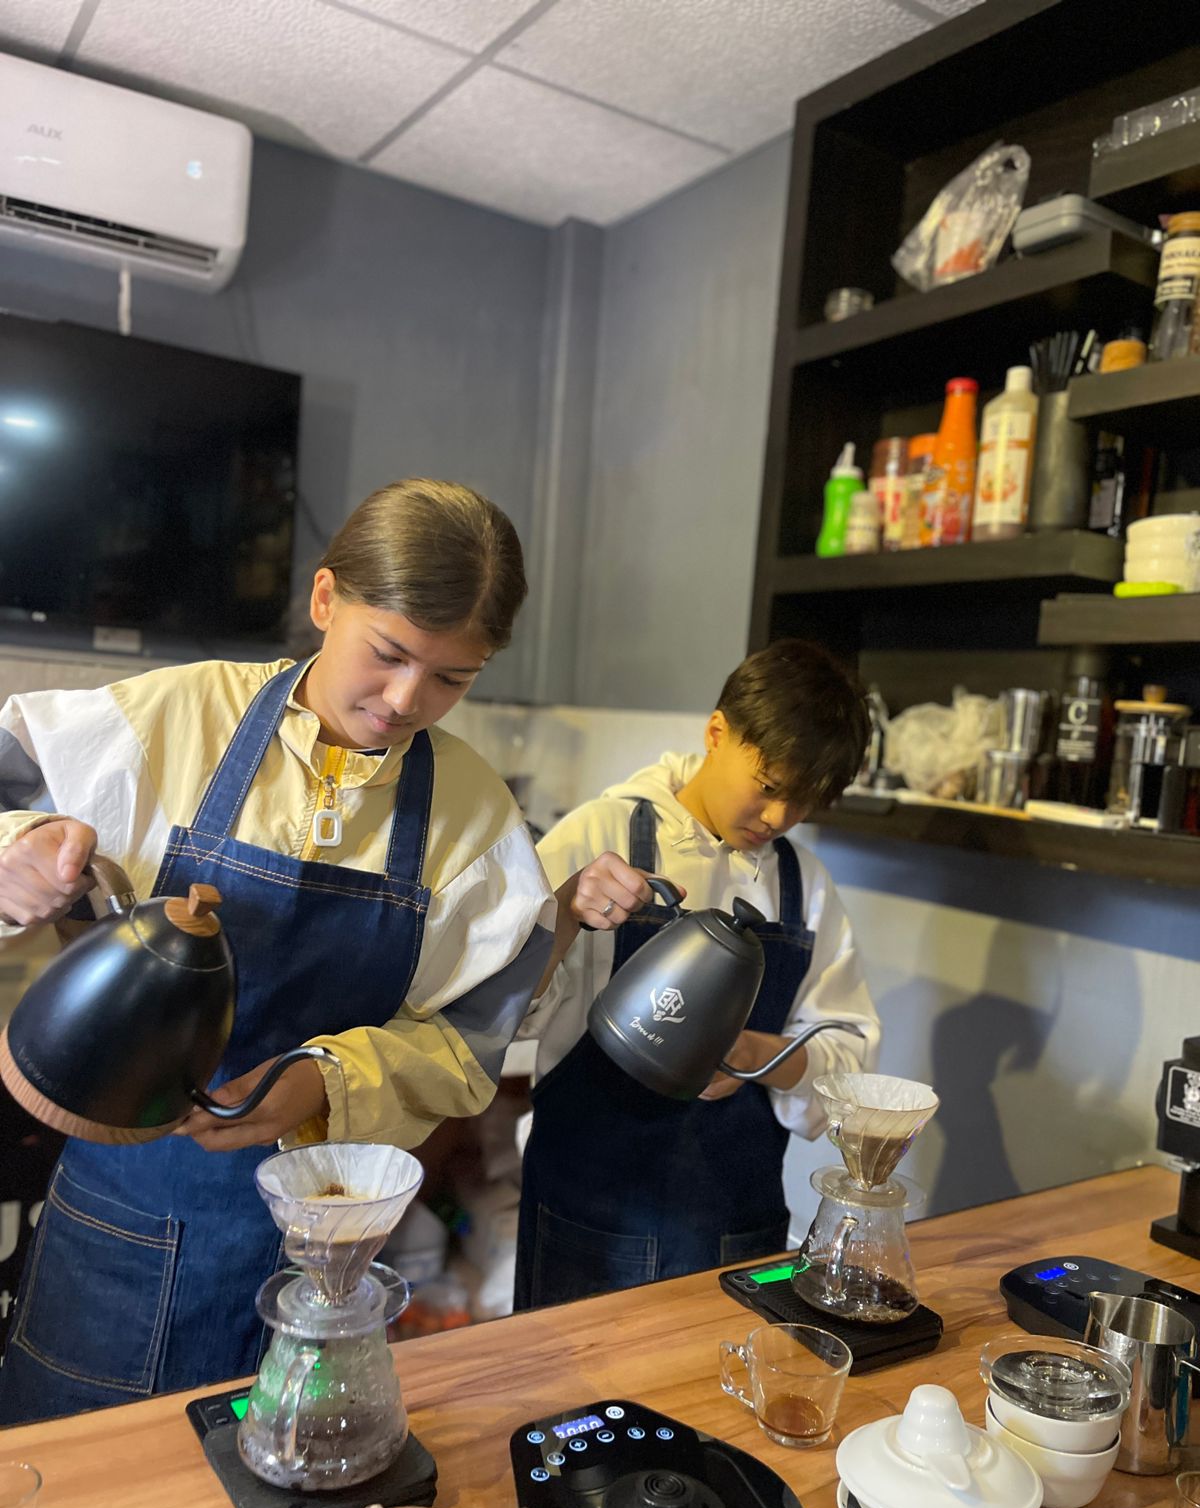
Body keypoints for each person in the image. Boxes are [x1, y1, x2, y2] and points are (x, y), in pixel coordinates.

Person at [0, 478, 557, 1425]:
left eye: (453, 677)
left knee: (277, 1502)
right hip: (130, 1213)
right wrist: (20, 849)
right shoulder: (176, 719)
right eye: (387, 655)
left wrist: (327, 1084)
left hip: (327, 1242)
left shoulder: (477, 822)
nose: (405, 699)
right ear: (326, 599)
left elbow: (471, 1042)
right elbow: (13, 787)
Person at [514, 638, 881, 1310]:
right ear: (717, 734)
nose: (779, 818)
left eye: (803, 802)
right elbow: (500, 1008)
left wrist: (754, 1054)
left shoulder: (804, 887)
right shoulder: (602, 835)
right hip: (587, 1223)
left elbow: (850, 1057)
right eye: (768, 788)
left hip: (738, 1230)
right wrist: (566, 909)